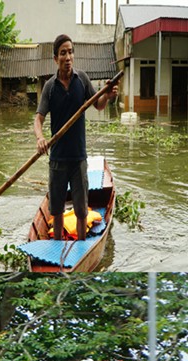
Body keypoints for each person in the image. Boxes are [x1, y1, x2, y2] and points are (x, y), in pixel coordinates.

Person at [34, 34, 117, 240]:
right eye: (63, 53)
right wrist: (40, 138)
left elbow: (98, 105)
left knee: (81, 211)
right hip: (57, 159)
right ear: (56, 59)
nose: (68, 57)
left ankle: (81, 244)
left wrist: (107, 95)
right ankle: (57, 246)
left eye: (70, 52)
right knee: (56, 211)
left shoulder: (82, 80)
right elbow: (38, 119)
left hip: (78, 159)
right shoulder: (50, 87)